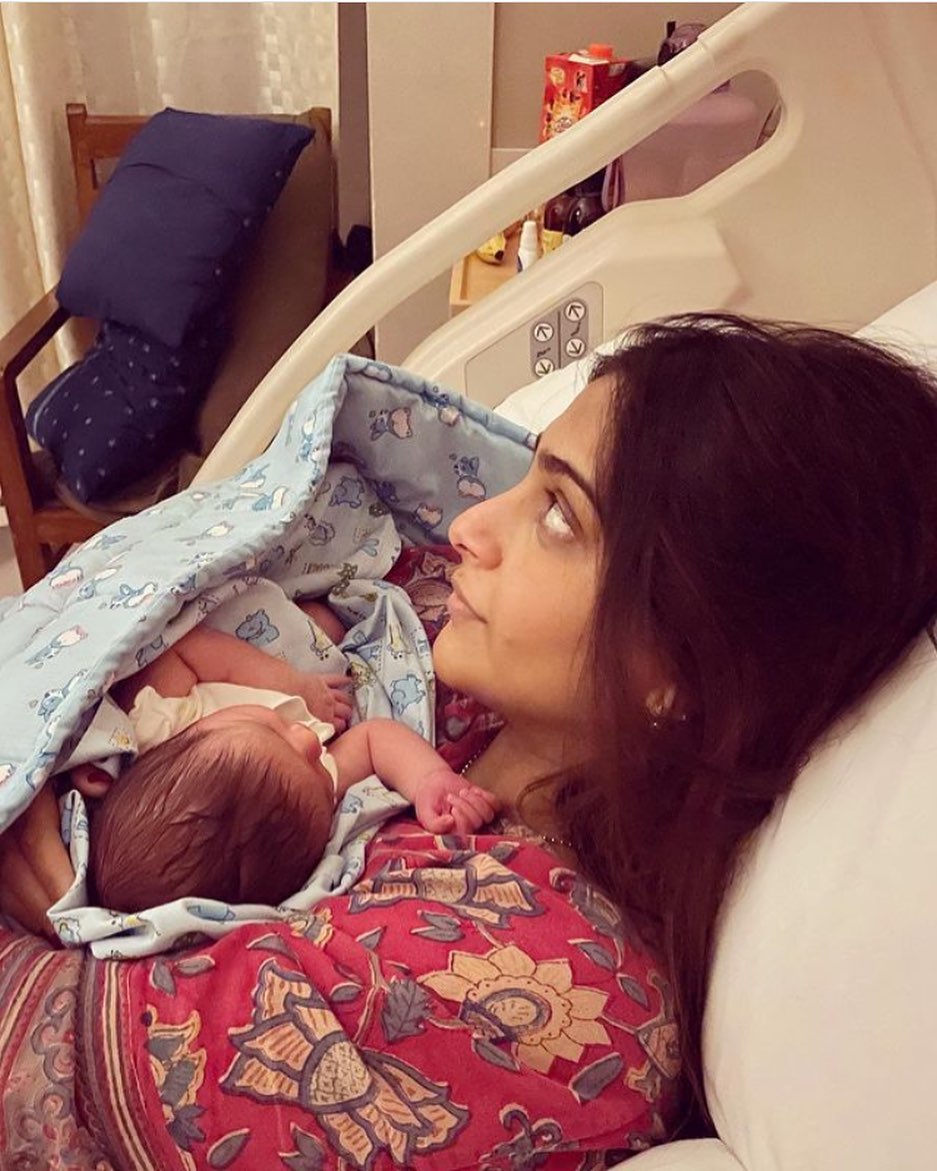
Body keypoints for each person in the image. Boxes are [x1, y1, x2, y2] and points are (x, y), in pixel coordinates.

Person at [3, 312, 937, 1138]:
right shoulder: (444, 649)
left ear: (684, 666)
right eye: (526, 479)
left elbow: (65, 1078)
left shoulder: (536, 996)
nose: (469, 525)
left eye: (559, 516)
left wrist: (54, 906)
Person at [76, 602, 499, 913]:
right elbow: (374, 739)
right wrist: (429, 780)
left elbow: (181, 645)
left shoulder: (160, 724)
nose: (311, 742)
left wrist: (294, 685)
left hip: (248, 645)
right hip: (316, 665)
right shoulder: (307, 795)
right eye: (315, 766)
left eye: (270, 732)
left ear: (191, 738)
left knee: (303, 616)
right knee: (324, 625)